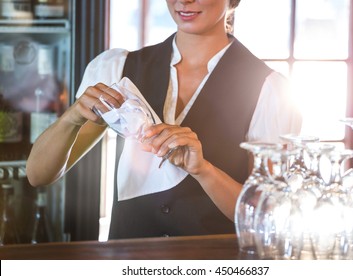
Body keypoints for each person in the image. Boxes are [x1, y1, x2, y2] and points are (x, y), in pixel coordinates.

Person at [26, 0, 302, 239]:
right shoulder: (117, 68)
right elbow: (38, 175)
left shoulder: (268, 89)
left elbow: (266, 214)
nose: (185, 1)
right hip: (129, 259)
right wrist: (72, 118)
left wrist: (204, 170)